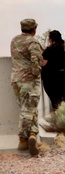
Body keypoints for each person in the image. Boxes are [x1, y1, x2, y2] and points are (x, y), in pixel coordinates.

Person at [10, 19, 43, 156]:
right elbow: (36, 60)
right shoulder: (33, 42)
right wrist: (36, 73)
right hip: (29, 81)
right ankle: (23, 139)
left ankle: (32, 135)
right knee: (28, 109)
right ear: (34, 29)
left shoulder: (14, 40)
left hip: (16, 80)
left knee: (28, 108)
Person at [41, 29, 65, 110]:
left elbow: (43, 63)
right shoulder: (62, 49)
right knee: (61, 97)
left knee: (54, 99)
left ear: (51, 39)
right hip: (62, 75)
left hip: (50, 77)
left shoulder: (48, 50)